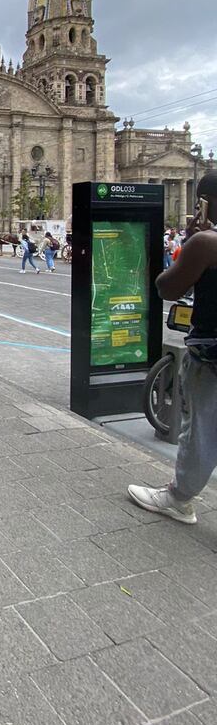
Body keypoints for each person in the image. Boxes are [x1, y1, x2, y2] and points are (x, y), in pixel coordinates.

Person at [128, 172, 217, 525]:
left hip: (211, 354)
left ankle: (179, 498)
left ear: (206, 202)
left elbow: (167, 287)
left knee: (199, 429)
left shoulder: (207, 243)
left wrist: (191, 241)